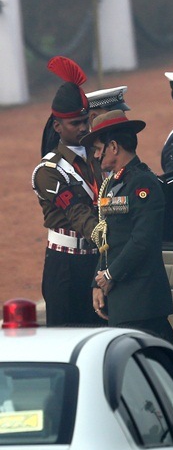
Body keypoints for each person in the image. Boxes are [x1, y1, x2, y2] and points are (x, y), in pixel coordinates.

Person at [82, 110, 173, 346]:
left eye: (98, 148)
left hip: (142, 302)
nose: (95, 154)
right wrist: (98, 282)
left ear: (113, 147)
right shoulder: (114, 183)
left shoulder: (142, 182)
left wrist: (110, 275)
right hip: (124, 300)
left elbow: (143, 239)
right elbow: (108, 236)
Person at [32, 56, 104, 326]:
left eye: (85, 120)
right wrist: (110, 237)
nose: (84, 128)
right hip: (64, 266)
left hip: (95, 258)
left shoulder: (99, 156)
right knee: (65, 337)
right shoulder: (48, 170)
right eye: (75, 123)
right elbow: (77, 212)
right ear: (58, 126)